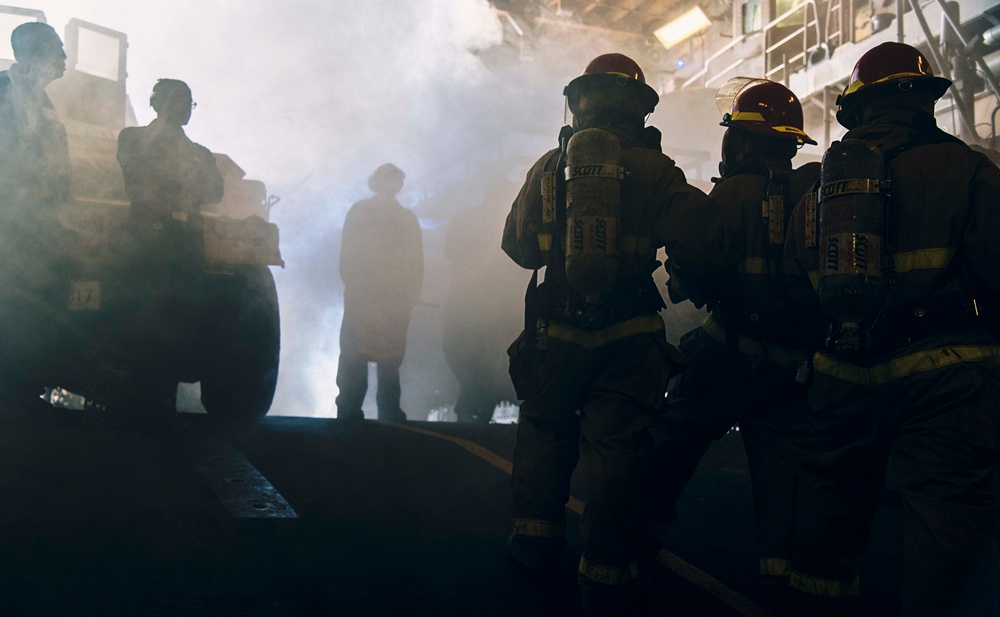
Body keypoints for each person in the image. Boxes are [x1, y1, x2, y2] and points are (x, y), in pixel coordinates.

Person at [502, 52, 727, 615]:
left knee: (544, 434)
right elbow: (701, 244)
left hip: (556, 330)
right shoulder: (658, 171)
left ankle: (533, 546)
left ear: (578, 102)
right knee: (617, 455)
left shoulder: (551, 167)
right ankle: (605, 577)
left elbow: (518, 247)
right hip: (628, 338)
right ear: (640, 109)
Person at [782, 42, 1000, 616]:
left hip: (842, 372)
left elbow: (794, 284)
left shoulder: (815, 190)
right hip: (945, 376)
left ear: (858, 107)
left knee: (828, 512)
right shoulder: (968, 167)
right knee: (945, 520)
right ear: (926, 101)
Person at [651, 78, 820, 599]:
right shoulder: (814, 195)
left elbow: (694, 276)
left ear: (741, 141)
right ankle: (779, 578)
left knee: (670, 442)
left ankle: (631, 541)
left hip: (725, 356)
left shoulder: (727, 195)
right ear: (790, 143)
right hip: (792, 368)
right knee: (784, 479)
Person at [112, 79, 224, 416]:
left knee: (178, 322)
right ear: (160, 103)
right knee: (145, 319)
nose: (186, 109)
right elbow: (138, 182)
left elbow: (215, 192)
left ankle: (160, 402)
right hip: (147, 240)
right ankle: (140, 402)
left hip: (182, 243)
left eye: (189, 102)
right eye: (181, 101)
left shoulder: (199, 153)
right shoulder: (132, 138)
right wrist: (180, 190)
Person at [0, 21, 72, 408]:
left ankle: (23, 388)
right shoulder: (1, 90)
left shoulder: (43, 101)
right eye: (58, 49)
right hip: (10, 226)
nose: (64, 57)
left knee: (32, 308)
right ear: (33, 53)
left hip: (39, 226)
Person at [336, 163, 423, 422]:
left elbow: (416, 260)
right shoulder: (360, 211)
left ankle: (388, 409)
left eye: (396, 179)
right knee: (354, 354)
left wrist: (411, 293)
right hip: (365, 295)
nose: (391, 183)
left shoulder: (406, 218)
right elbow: (348, 253)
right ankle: (350, 408)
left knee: (390, 357)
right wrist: (354, 284)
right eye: (387, 178)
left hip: (392, 298)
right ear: (376, 182)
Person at [442, 178, 523, 423]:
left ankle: (473, 404)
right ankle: (480, 402)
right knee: (494, 355)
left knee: (465, 353)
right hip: (500, 303)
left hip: (466, 301)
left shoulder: (465, 218)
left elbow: (449, 252)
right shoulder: (512, 220)